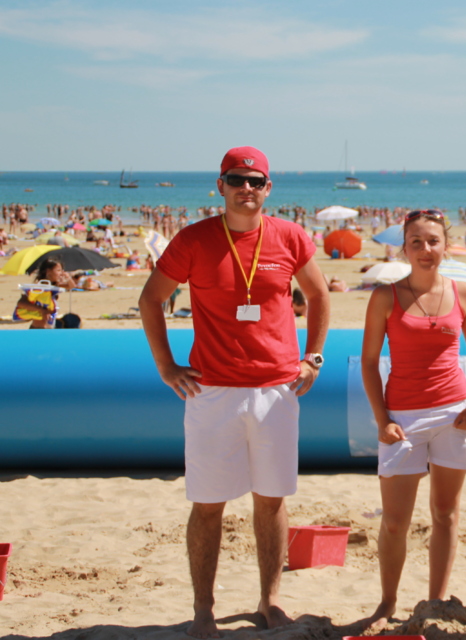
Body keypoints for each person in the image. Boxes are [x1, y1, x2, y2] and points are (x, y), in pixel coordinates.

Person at [139, 146, 331, 638]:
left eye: (256, 180)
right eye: (237, 179)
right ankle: (203, 610)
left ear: (269, 188)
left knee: (271, 500)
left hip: (276, 389)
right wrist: (165, 366)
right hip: (212, 391)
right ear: (220, 185)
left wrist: (314, 358)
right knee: (208, 505)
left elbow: (319, 295)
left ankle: (270, 601)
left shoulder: (289, 235)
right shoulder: (195, 239)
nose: (247, 188)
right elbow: (151, 299)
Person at [360, 209, 466, 630]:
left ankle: (435, 601)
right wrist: (382, 420)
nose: (426, 249)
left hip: (455, 415)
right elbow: (368, 362)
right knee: (395, 523)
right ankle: (386, 603)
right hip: (403, 418)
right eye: (416, 242)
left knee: (446, 514)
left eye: (433, 241)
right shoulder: (386, 296)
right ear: (405, 248)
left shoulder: (464, 293)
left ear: (445, 245)